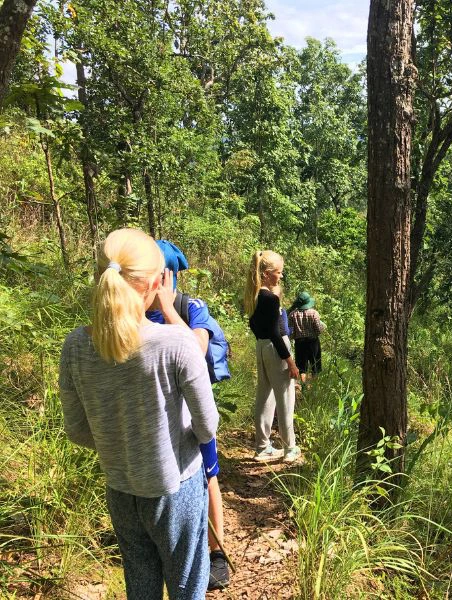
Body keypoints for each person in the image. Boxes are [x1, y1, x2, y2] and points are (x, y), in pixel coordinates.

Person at [58, 228, 218, 599]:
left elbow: (77, 431)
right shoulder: (176, 343)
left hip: (120, 488)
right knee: (187, 587)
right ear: (155, 283)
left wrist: (123, 448)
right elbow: (207, 426)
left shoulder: (76, 346)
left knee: (140, 586)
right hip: (175, 487)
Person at [146, 240, 231, 591]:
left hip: (192, 414)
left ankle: (216, 552)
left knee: (207, 475)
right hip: (152, 416)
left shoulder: (190, 306)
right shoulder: (128, 310)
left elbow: (196, 349)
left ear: (166, 276)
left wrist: (168, 310)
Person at [244, 250, 301, 463]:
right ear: (267, 274)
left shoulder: (254, 295)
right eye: (279, 272)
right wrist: (291, 362)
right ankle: (290, 449)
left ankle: (262, 447)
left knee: (265, 396)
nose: (281, 276)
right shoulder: (269, 299)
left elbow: (254, 325)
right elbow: (277, 334)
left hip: (261, 346)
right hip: (276, 348)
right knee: (286, 398)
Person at [288, 291, 326, 384]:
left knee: (301, 367)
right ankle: (314, 387)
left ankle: (303, 387)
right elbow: (318, 330)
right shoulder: (314, 313)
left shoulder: (292, 314)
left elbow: (291, 333)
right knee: (315, 366)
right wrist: (323, 326)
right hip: (313, 342)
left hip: (299, 343)